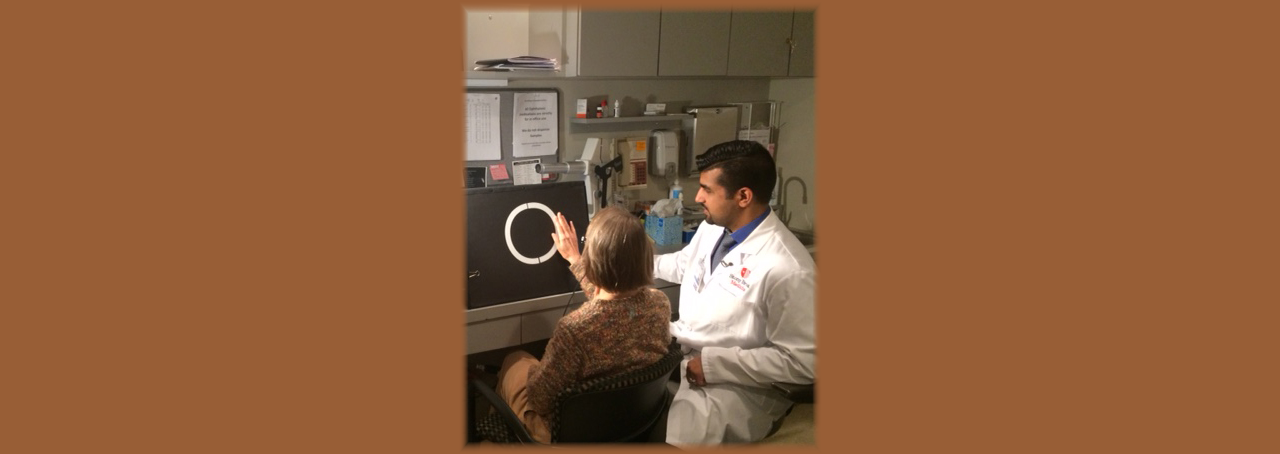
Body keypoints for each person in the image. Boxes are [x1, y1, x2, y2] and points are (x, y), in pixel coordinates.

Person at [655, 140, 816, 445]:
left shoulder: (788, 268)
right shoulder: (715, 226)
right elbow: (684, 265)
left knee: (674, 440)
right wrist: (625, 263)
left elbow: (803, 362)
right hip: (682, 355)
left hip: (735, 388)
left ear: (743, 196)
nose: (698, 196)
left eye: (707, 190)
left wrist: (717, 365)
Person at [492, 206, 673, 444]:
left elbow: (538, 399)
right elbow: (617, 301)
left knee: (515, 359)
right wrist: (575, 260)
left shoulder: (575, 329)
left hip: (565, 435)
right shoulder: (659, 304)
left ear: (594, 258)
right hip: (627, 424)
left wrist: (539, 367)